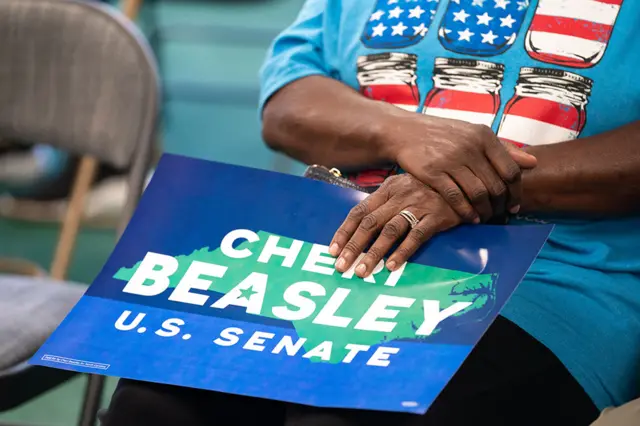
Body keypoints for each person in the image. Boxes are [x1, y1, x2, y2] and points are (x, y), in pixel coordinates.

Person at [101, 1, 640, 424]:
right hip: (332, 250)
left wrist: (471, 185)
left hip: (555, 269)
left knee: (346, 416)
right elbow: (288, 105)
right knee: (153, 407)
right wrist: (409, 133)